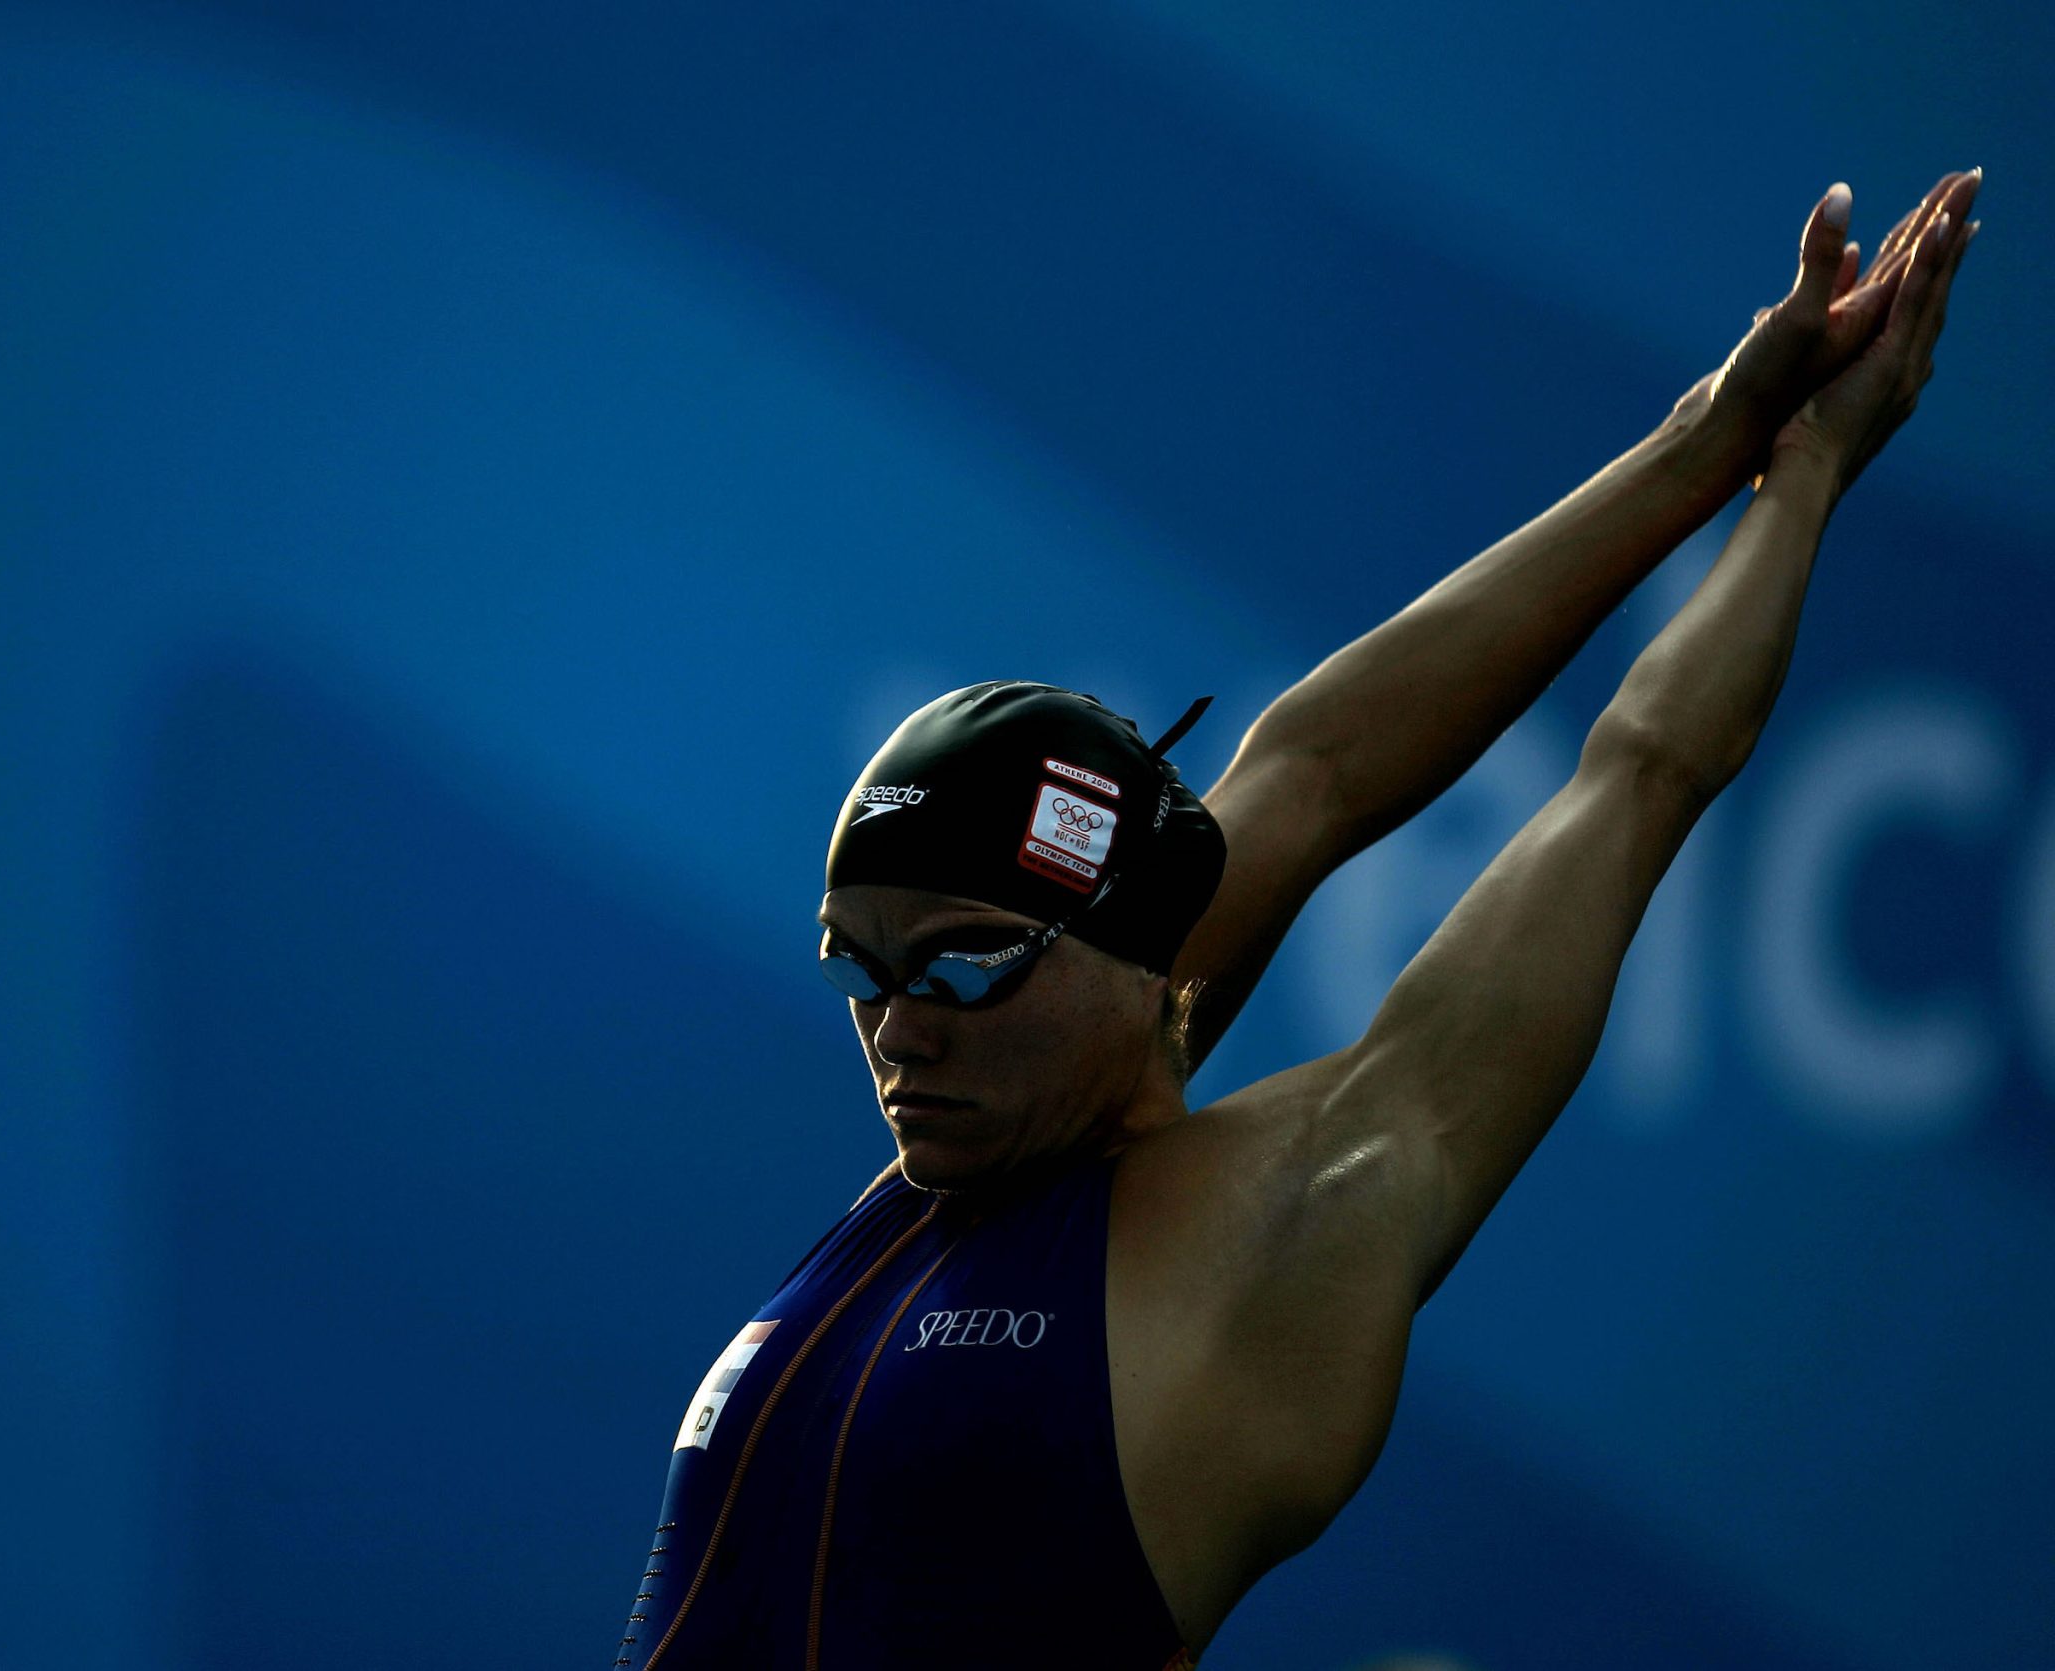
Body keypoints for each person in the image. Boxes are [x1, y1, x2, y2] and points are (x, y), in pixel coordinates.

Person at [609, 168, 1982, 1670]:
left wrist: (1805, 478)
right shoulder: (959, 1163)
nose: (900, 1028)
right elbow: (1308, 767)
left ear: (1137, 960)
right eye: (858, 971)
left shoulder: (1302, 1219)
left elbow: (1638, 779)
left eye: (961, 963)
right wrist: (1706, 432)